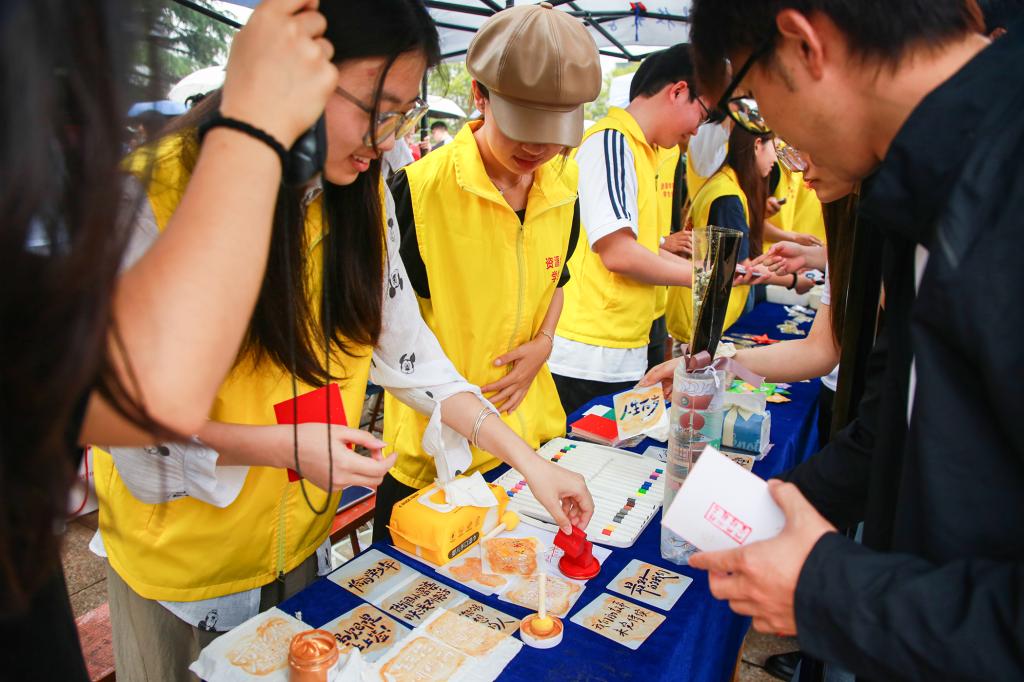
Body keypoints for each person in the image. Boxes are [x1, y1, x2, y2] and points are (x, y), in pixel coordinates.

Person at [93, 3, 593, 679]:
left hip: (301, 541)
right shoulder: (153, 195)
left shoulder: (362, 191)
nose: (386, 140)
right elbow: (123, 418)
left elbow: (414, 359)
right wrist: (279, 447)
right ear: (295, 72)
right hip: (185, 568)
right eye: (377, 111)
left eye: (404, 116)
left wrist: (529, 464)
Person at [0, 0, 336, 678]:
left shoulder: (342, 195)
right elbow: (150, 393)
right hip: (177, 561)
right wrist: (254, 131)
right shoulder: (148, 186)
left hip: (285, 534)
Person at [688, 1, 1024, 679]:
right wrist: (766, 510)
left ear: (804, 44)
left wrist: (834, 594)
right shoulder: (929, 188)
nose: (778, 138)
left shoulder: (995, 188)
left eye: (752, 104)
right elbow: (891, 425)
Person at [377, 3, 602, 540]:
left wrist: (545, 341)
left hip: (533, 448)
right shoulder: (416, 195)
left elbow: (556, 281)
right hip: (438, 463)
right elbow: (392, 337)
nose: (537, 147)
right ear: (479, 94)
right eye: (522, 125)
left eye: (552, 129)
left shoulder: (563, 188)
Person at [548, 45, 706, 415]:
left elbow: (643, 246)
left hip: (620, 345)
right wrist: (702, 279)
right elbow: (619, 253)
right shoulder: (612, 142)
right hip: (590, 354)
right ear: (678, 91)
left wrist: (706, 272)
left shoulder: (644, 151)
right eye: (702, 113)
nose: (698, 128)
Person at [665, 122, 814, 357]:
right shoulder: (728, 196)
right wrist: (794, 280)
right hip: (702, 322)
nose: (775, 159)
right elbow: (741, 270)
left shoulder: (726, 184)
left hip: (702, 316)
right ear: (757, 145)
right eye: (774, 147)